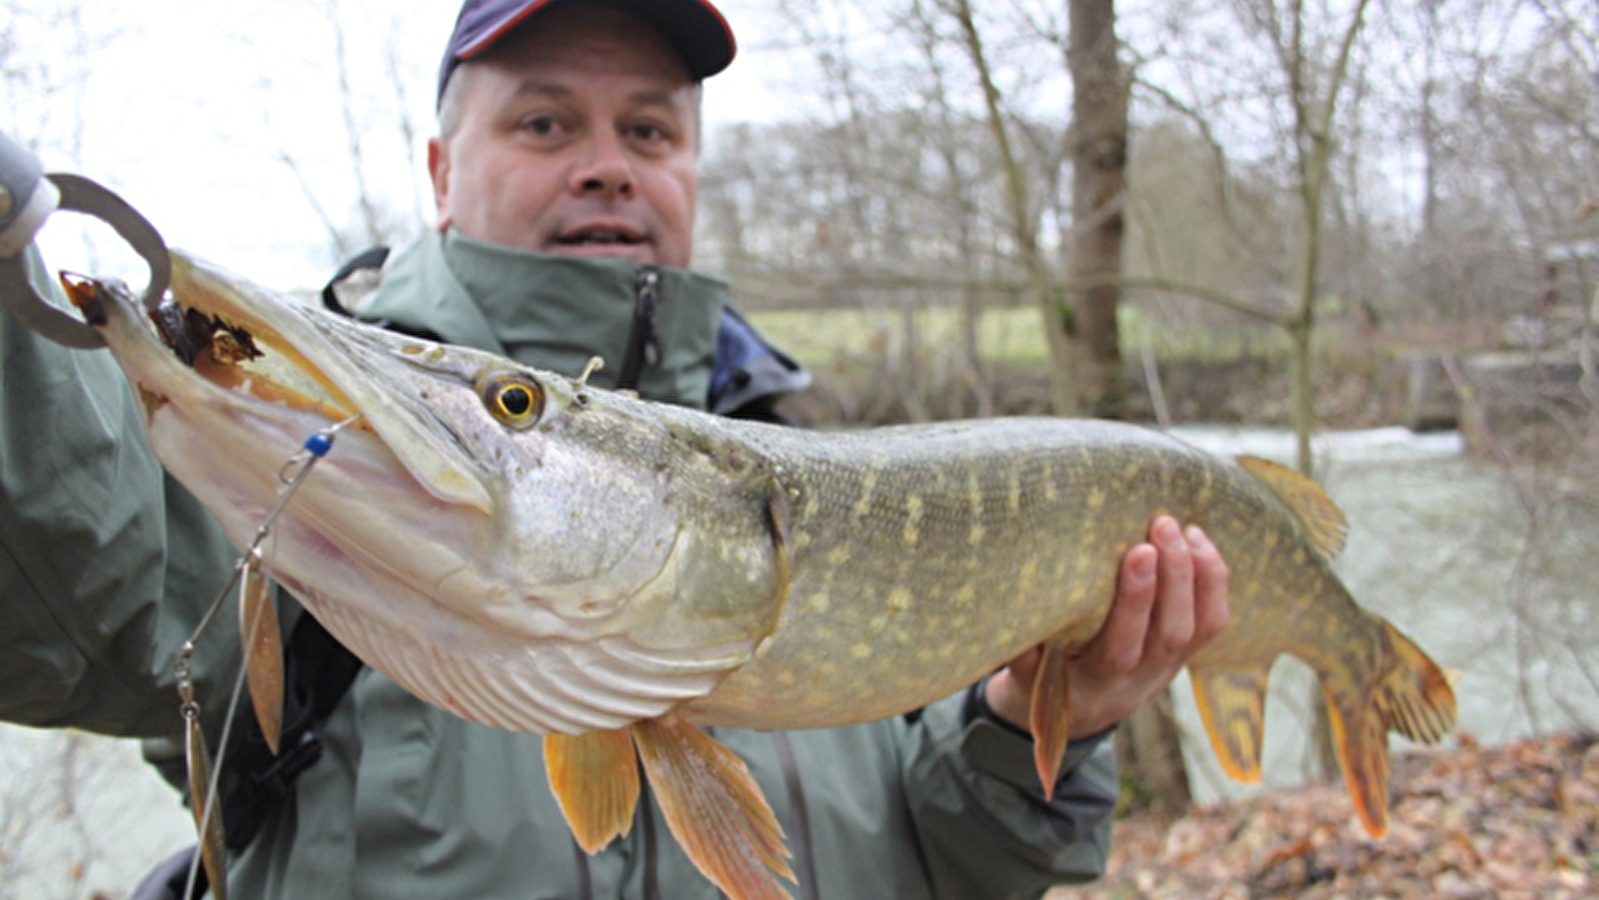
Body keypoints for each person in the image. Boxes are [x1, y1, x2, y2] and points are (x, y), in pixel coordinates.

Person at [0, 0, 1229, 897]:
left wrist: (1030, 729)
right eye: (545, 122)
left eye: (650, 130)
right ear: (440, 173)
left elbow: (966, 858)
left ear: (691, 168)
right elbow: (58, 559)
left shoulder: (818, 467)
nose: (606, 166)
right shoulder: (290, 475)